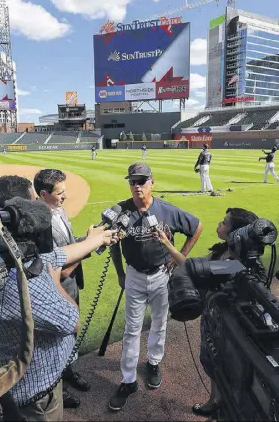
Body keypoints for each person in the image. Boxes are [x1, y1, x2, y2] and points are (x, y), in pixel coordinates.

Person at [0, 176, 119, 420]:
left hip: (19, 382)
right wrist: (53, 274)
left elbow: (57, 255)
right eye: (34, 202)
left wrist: (94, 240)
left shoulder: (4, 254)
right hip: (36, 394)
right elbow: (71, 320)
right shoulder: (20, 283)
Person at [154, 207, 264, 420]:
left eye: (224, 223)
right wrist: (167, 244)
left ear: (237, 233)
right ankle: (216, 400)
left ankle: (231, 408)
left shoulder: (239, 264)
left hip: (235, 326)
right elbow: (192, 266)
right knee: (211, 358)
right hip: (213, 317)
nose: (219, 225)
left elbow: (203, 269)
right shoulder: (220, 251)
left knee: (233, 367)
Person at [108, 162, 202, 411]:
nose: (137, 186)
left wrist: (177, 256)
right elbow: (112, 244)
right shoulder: (122, 211)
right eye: (132, 181)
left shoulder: (167, 211)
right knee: (131, 329)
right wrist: (120, 273)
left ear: (152, 182)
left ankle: (153, 362)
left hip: (162, 274)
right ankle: (128, 381)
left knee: (159, 322)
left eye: (142, 181)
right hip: (134, 275)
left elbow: (197, 227)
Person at [34, 169, 90, 409]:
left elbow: (67, 246)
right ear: (44, 194)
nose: (65, 196)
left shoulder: (59, 210)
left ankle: (68, 373)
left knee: (71, 335)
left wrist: (85, 239)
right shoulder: (39, 222)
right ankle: (58, 389)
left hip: (71, 283)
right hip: (58, 286)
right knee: (57, 340)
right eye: (60, 193)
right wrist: (89, 246)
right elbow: (58, 268)